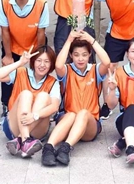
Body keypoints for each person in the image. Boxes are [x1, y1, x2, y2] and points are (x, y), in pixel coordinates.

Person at [41, 30, 111, 167]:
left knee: (83, 113)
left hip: (89, 124)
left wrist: (91, 40)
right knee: (72, 114)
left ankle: (65, 148)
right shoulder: (67, 70)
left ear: (89, 55)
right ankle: (48, 148)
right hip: (68, 120)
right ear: (71, 55)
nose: (80, 59)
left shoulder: (95, 70)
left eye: (84, 55)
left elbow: (107, 61)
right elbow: (58, 65)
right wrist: (69, 40)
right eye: (76, 55)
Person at [0, 0, 49, 122]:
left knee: (38, 73)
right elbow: (4, 31)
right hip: (12, 45)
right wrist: (8, 56)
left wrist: (39, 56)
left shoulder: (41, 3)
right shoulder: (4, 3)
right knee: (8, 72)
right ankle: (6, 106)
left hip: (34, 46)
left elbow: (41, 33)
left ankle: (39, 108)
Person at [0, 46, 61, 158]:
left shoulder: (53, 82)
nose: (42, 65)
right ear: (33, 61)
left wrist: (34, 115)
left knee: (43, 96)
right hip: (14, 126)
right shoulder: (21, 72)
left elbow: (54, 107)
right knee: (26, 94)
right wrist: (20, 63)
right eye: (39, 60)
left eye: (46, 61)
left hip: (38, 130)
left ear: (51, 64)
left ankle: (20, 141)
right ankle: (25, 140)